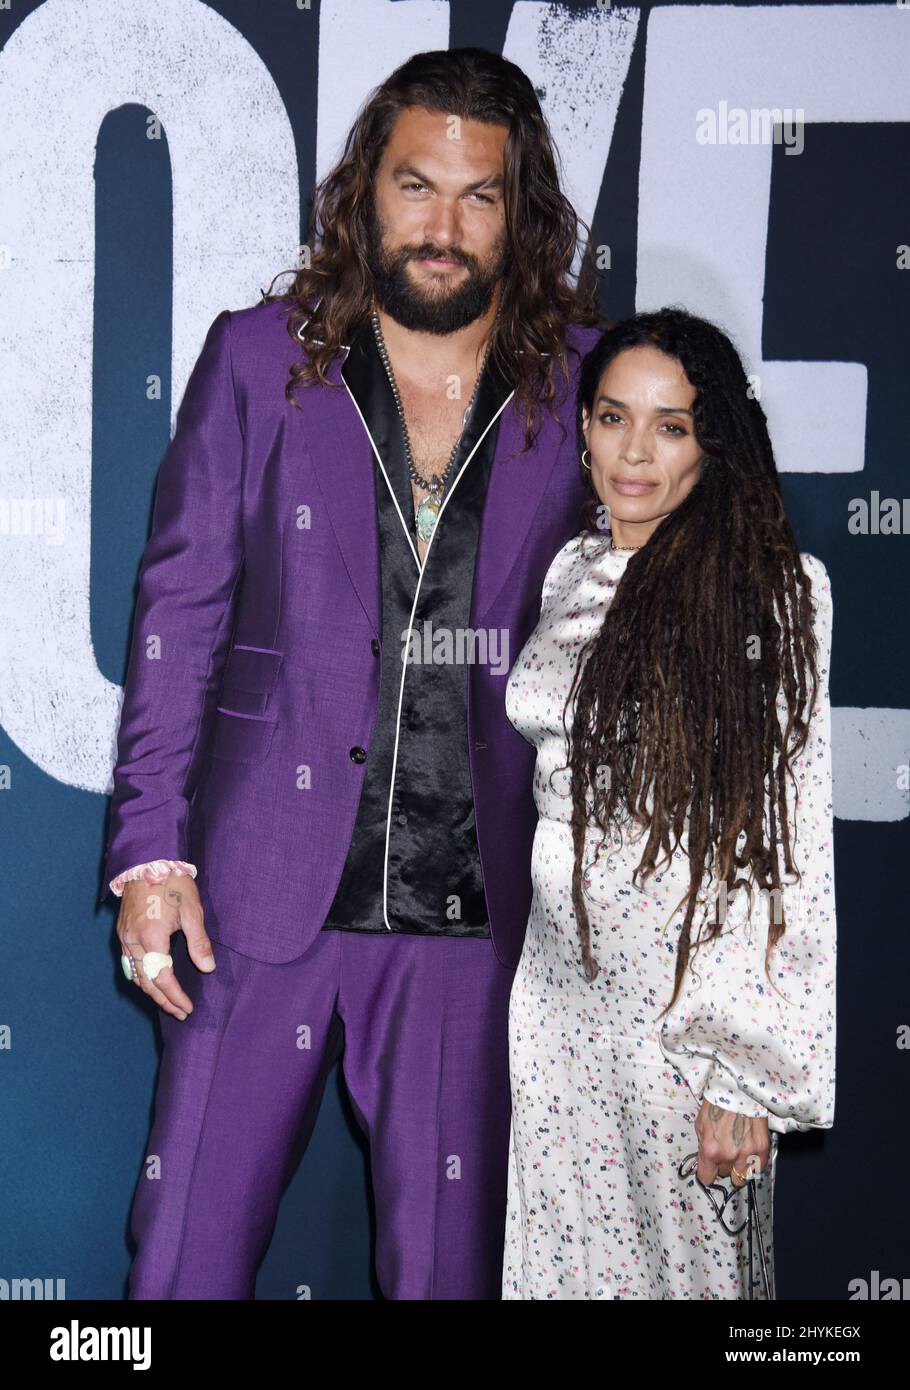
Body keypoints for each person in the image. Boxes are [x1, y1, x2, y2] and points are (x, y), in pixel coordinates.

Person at [101, 47, 607, 1299]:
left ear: (519, 211)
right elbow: (181, 611)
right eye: (414, 185)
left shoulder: (590, 389)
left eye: (477, 196)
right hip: (258, 898)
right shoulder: (260, 360)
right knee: (180, 1269)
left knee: (449, 1274)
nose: (441, 227)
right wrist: (150, 855)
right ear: (364, 193)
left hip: (469, 912)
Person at [502, 307, 836, 1300]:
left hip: (678, 1024)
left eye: (671, 425)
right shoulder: (571, 569)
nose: (634, 451)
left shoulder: (771, 593)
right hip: (559, 1004)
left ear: (714, 440)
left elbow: (780, 848)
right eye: (611, 418)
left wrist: (739, 1071)